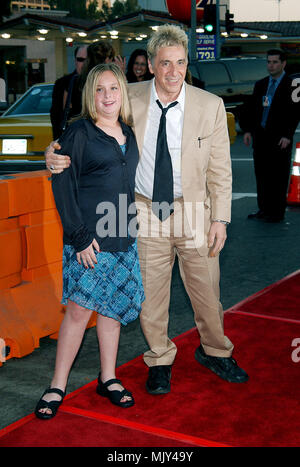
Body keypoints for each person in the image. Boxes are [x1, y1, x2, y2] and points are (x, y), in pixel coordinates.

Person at [45, 24, 248, 395]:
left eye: (181, 63)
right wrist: (54, 152)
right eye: (165, 63)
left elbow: (221, 168)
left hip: (194, 212)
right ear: (151, 65)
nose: (173, 72)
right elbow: (92, 122)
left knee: (207, 290)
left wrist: (220, 217)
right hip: (142, 211)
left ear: (188, 64)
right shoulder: (129, 96)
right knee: (151, 297)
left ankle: (216, 351)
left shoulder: (210, 105)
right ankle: (159, 358)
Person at [35, 63, 144, 420]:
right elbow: (61, 184)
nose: (107, 96)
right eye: (100, 90)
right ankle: (57, 385)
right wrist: (80, 237)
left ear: (122, 93)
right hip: (88, 243)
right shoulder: (78, 133)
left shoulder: (128, 131)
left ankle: (108, 378)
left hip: (123, 239)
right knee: (79, 313)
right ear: (90, 95)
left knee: (111, 313)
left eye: (113, 88)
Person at [241, 49, 299, 223]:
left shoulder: (291, 85)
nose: (271, 65)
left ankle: (276, 212)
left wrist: (287, 135)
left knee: (278, 176)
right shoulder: (261, 84)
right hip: (261, 137)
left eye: (274, 62)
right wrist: (248, 131)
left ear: (283, 64)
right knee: (262, 175)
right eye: (268, 62)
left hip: (280, 138)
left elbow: (294, 113)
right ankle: (263, 209)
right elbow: (254, 110)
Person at [50, 45, 87, 140]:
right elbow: (56, 117)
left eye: (88, 60)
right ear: (75, 61)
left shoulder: (100, 84)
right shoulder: (63, 83)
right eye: (80, 59)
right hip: (70, 139)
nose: (84, 63)